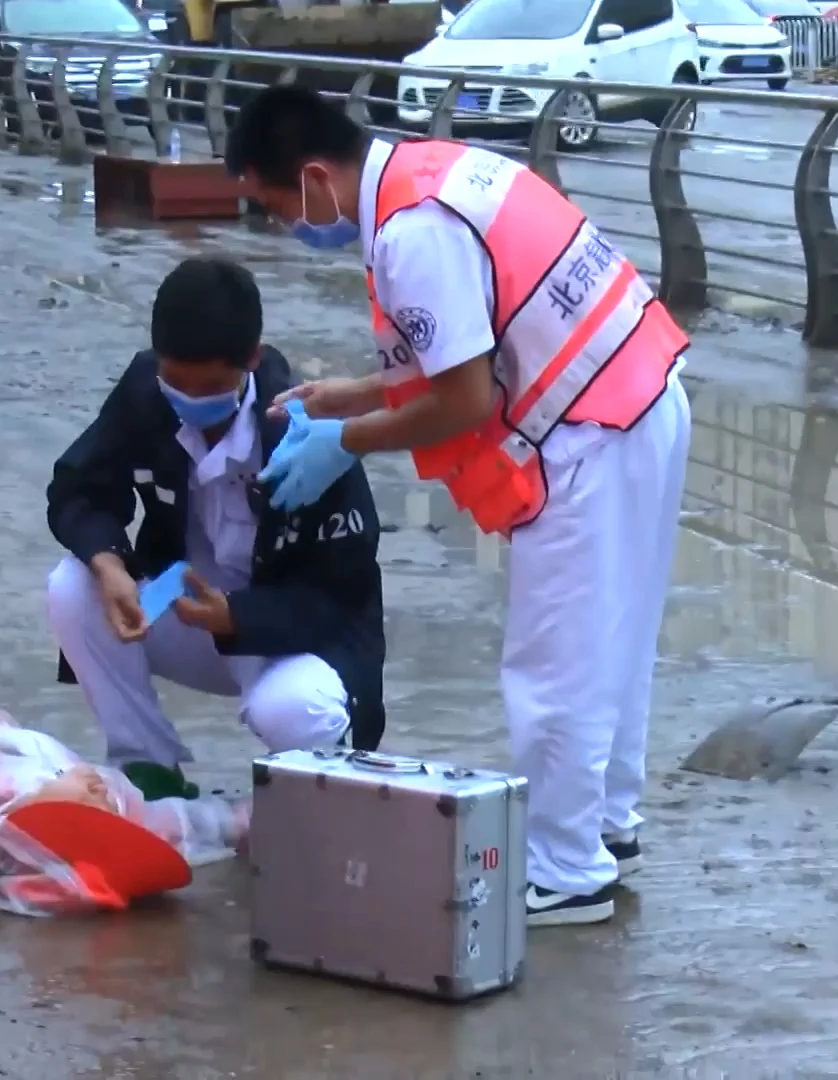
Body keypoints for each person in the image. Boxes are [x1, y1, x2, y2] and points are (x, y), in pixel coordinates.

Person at [223, 86, 692, 927]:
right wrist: (350, 396)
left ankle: (563, 872)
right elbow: (472, 343)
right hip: (639, 395)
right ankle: (604, 830)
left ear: (314, 179)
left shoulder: (412, 235)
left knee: (555, 670)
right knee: (616, 649)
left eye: (273, 205)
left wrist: (352, 438)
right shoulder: (430, 173)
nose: (282, 226)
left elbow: (467, 398)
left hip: (588, 434)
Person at [46, 256, 386, 802]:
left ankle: (306, 796)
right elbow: (76, 490)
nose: (191, 399)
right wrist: (111, 564)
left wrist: (238, 616)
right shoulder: (145, 393)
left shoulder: (306, 431)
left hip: (289, 637)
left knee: (297, 710)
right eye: (175, 381)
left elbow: (341, 595)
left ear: (251, 360)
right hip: (187, 607)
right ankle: (147, 767)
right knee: (71, 587)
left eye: (210, 386)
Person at [0, 705, 248, 916]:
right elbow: (191, 823)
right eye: (105, 812)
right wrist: (238, 821)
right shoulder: (118, 806)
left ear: (42, 815)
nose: (101, 798)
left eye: (88, 810)